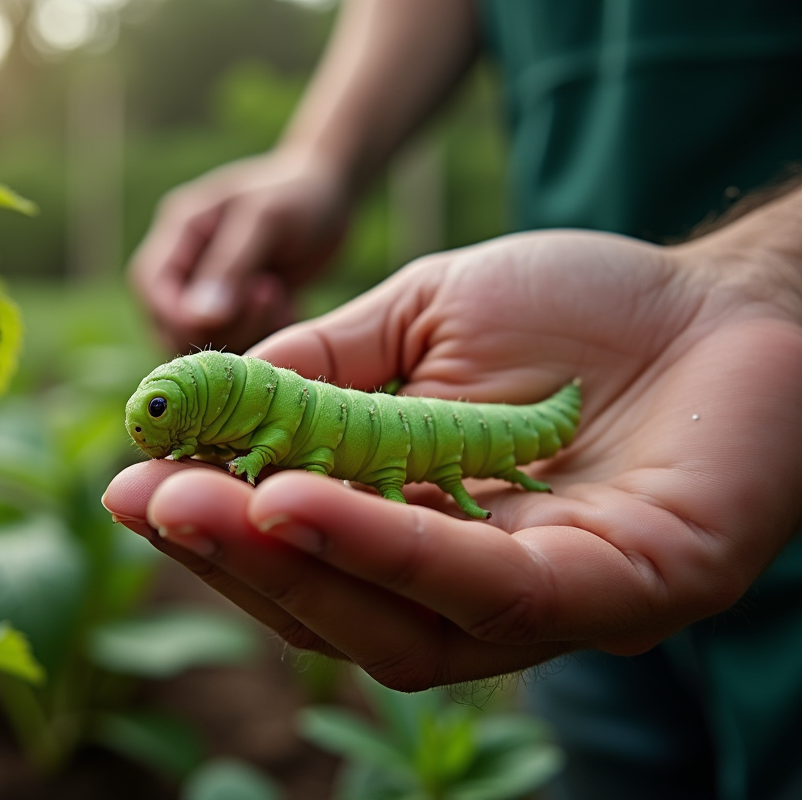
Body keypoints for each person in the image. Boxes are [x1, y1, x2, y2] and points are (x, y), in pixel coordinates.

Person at [109, 2, 802, 797]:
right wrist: (321, 154)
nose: (153, 432)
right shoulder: (254, 421)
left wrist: (777, 276)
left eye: (159, 415)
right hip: (597, 432)